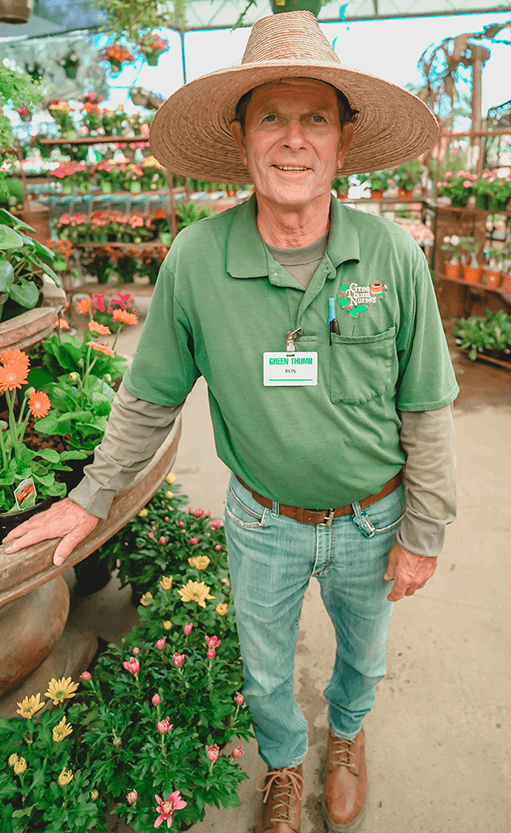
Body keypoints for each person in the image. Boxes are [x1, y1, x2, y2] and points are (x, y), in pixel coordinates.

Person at [3, 11, 458, 833]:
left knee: (363, 655)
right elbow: (149, 399)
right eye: (271, 117)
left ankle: (346, 737)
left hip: (371, 516)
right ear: (241, 135)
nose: (293, 140)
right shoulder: (195, 259)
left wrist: (423, 527)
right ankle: (285, 763)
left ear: (342, 142)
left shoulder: (390, 256)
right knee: (261, 667)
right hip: (262, 522)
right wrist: (92, 495)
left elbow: (424, 403)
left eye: (314, 117)